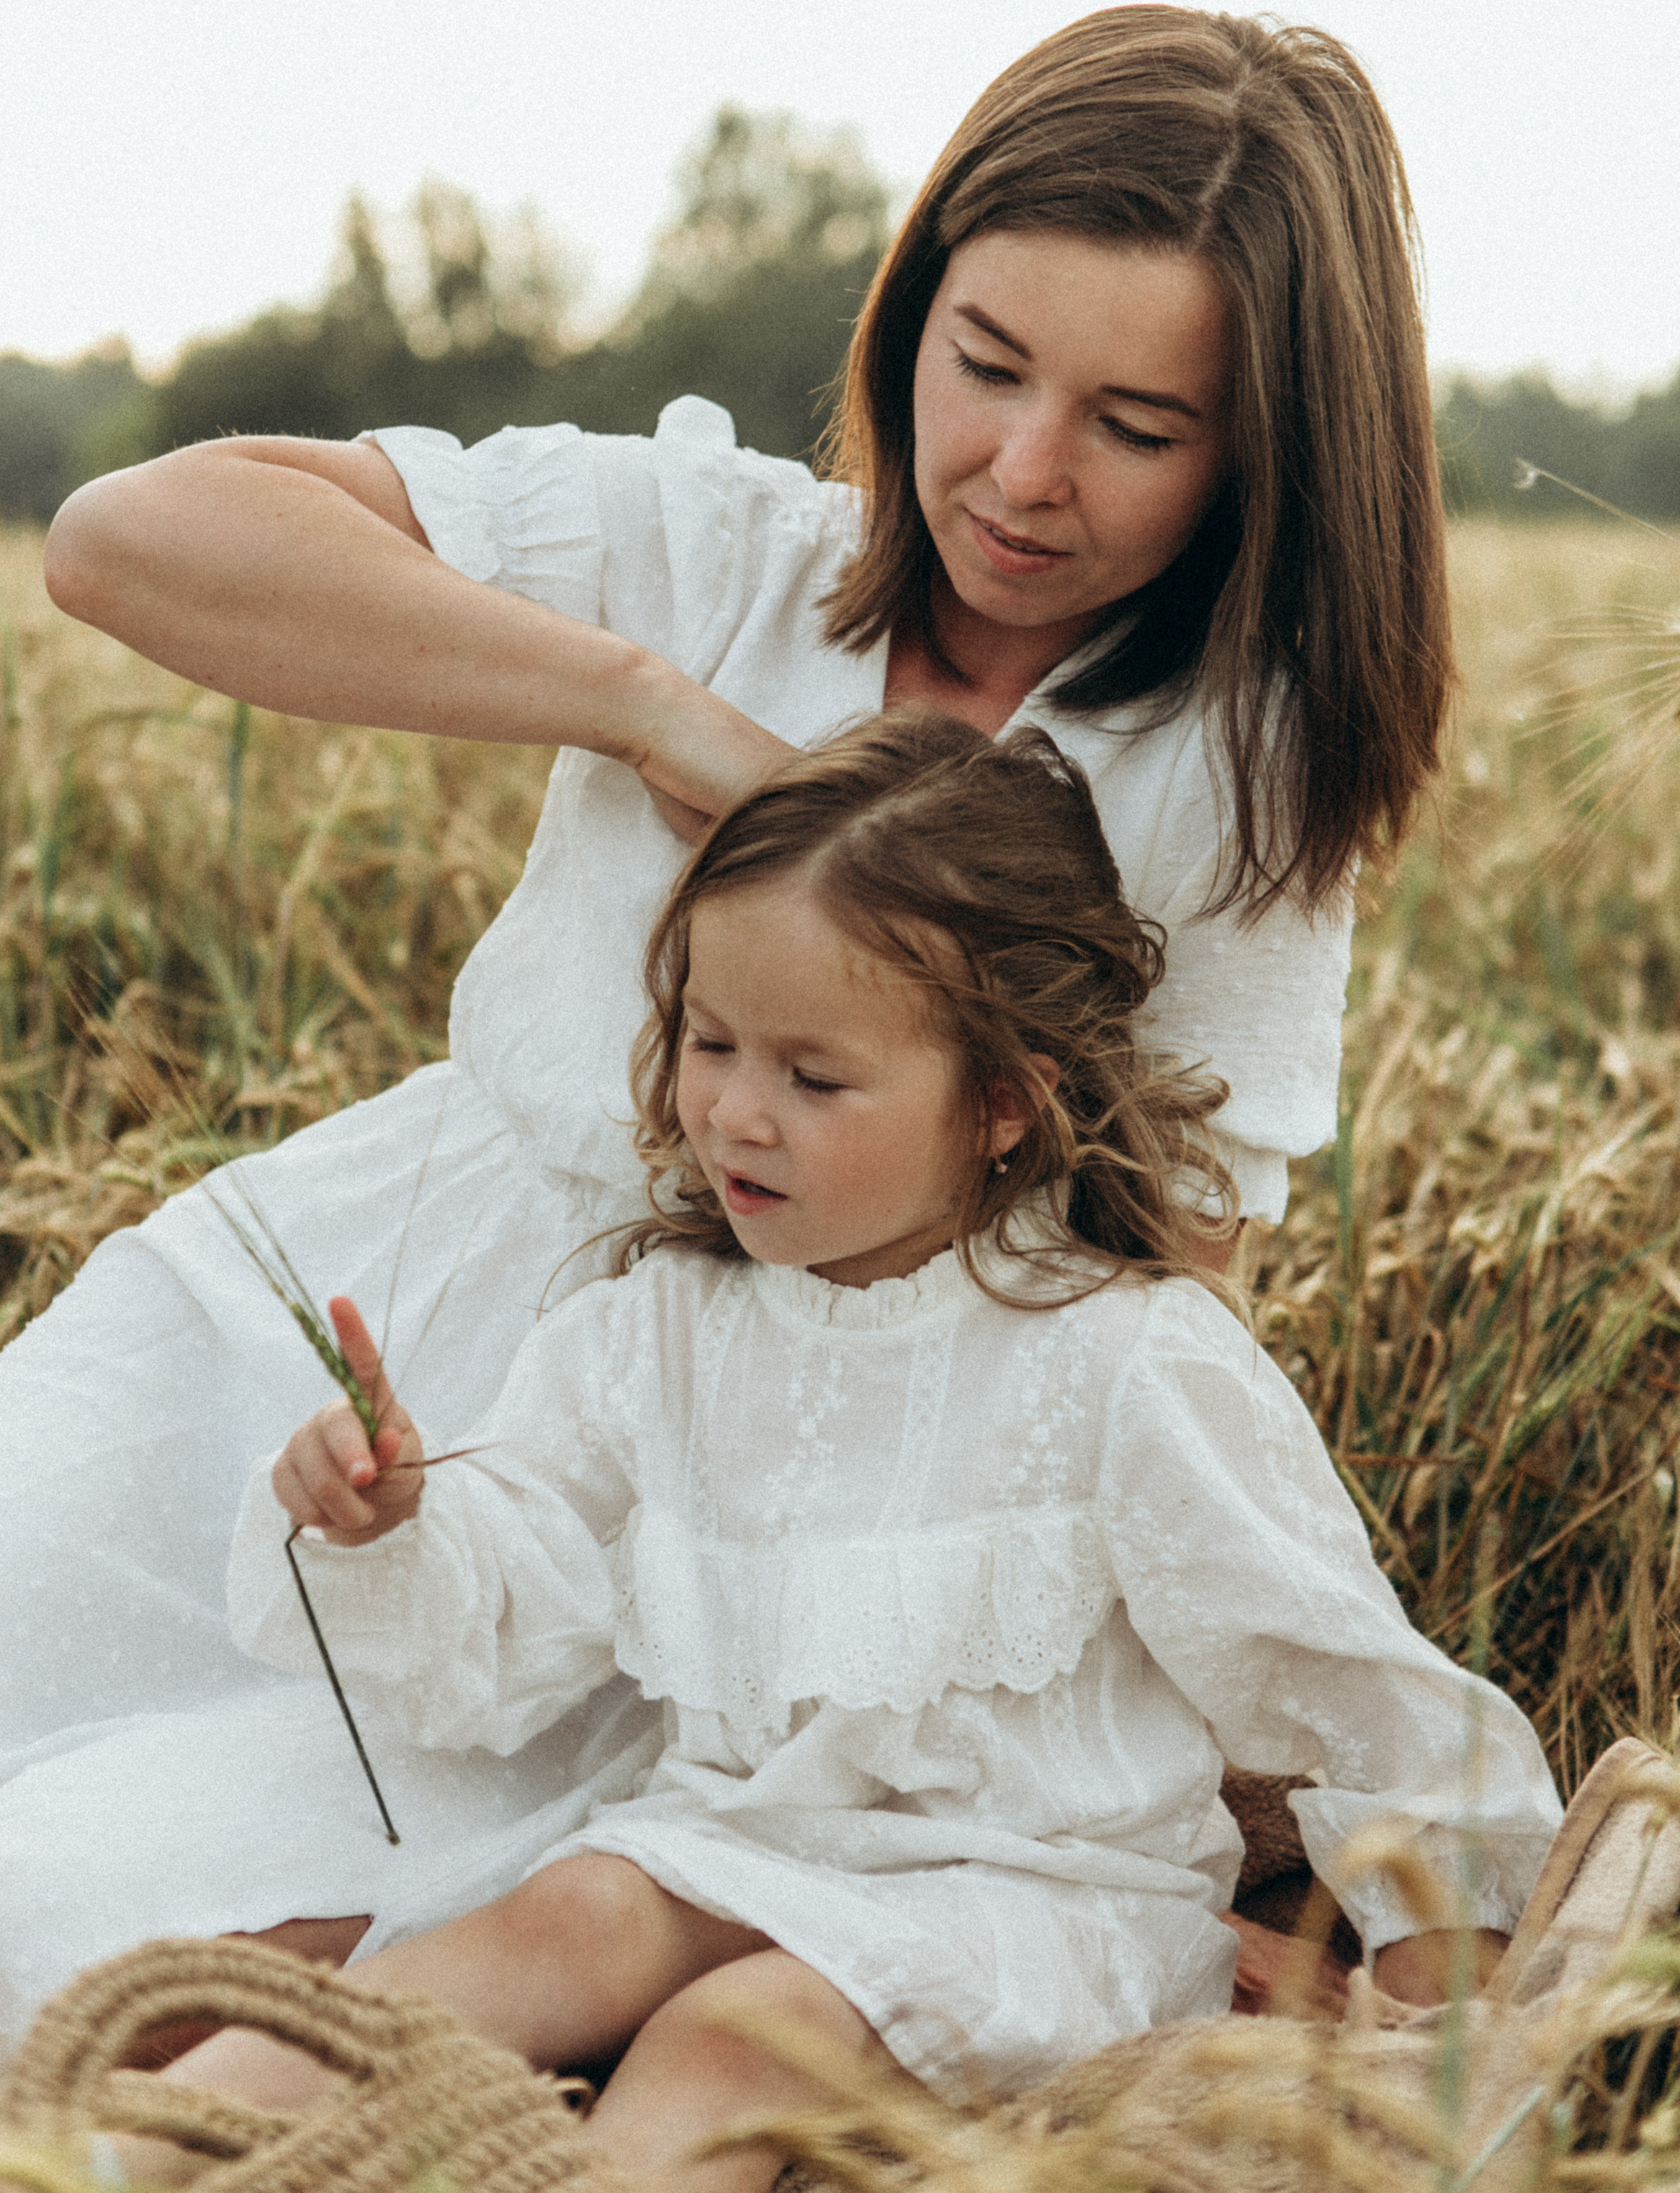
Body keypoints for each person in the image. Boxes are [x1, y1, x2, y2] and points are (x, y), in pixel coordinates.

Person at [2, 6, 1452, 1963]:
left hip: (715, 1486)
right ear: (910, 311)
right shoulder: (719, 547)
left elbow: (1154, 1283)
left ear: (1263, 449)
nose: (1022, 473)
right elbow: (122, 541)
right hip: (361, 1299)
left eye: (1134, 427)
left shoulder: (1240, 776)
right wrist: (644, 705)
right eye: (983, 364)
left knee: (111, 1926)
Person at [107, 717, 1557, 2193]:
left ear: (1001, 1102)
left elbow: (1335, 1671)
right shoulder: (659, 1328)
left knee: (738, 2036)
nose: (735, 1111)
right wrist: (392, 1520)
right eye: (710, 1042)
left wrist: (1439, 1983)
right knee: (560, 1920)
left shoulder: (1123, 1357)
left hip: (1041, 1900)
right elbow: (527, 1584)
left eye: (814, 1077)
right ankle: (94, 2154)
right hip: (737, 1842)